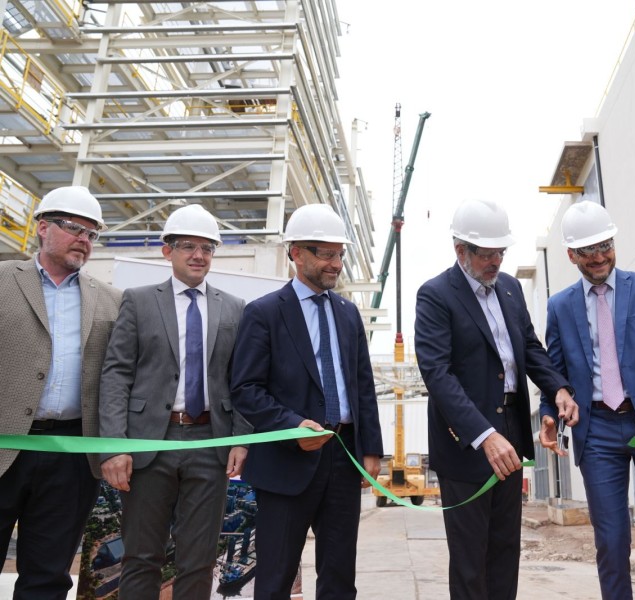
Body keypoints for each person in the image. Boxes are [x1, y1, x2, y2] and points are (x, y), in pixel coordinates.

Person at [415, 198, 578, 600]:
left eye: (500, 252)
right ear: (460, 250)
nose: (496, 262)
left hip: (511, 432)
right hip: (467, 441)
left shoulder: (509, 288)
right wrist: (484, 435)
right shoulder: (436, 295)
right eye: (486, 254)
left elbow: (530, 348)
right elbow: (438, 374)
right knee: (470, 559)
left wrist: (558, 388)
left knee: (505, 550)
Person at [538, 201, 635, 600]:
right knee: (610, 543)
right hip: (597, 432)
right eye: (587, 250)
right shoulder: (560, 306)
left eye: (605, 246)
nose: (599, 257)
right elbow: (554, 373)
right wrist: (549, 413)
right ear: (571, 254)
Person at [230, 203, 383, 600]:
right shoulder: (264, 313)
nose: (336, 264)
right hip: (286, 462)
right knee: (276, 578)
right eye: (326, 254)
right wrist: (292, 426)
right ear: (296, 253)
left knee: (339, 578)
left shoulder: (348, 314)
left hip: (343, 458)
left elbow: (362, 386)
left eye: (340, 254)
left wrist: (371, 448)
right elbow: (245, 388)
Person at [99, 204, 250, 598]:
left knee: (199, 559)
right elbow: (116, 373)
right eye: (188, 246)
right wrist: (114, 444)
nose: (198, 255)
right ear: (168, 251)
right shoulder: (138, 301)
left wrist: (240, 439)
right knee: (141, 556)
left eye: (207, 248)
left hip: (210, 444)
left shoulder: (234, 308)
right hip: (148, 444)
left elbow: (242, 380)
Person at [0, 186, 122, 598]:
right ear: (43, 228)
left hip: (71, 455)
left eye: (92, 234)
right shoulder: (3, 280)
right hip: (3, 444)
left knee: (48, 575)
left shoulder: (110, 301)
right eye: (75, 229)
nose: (84, 240)